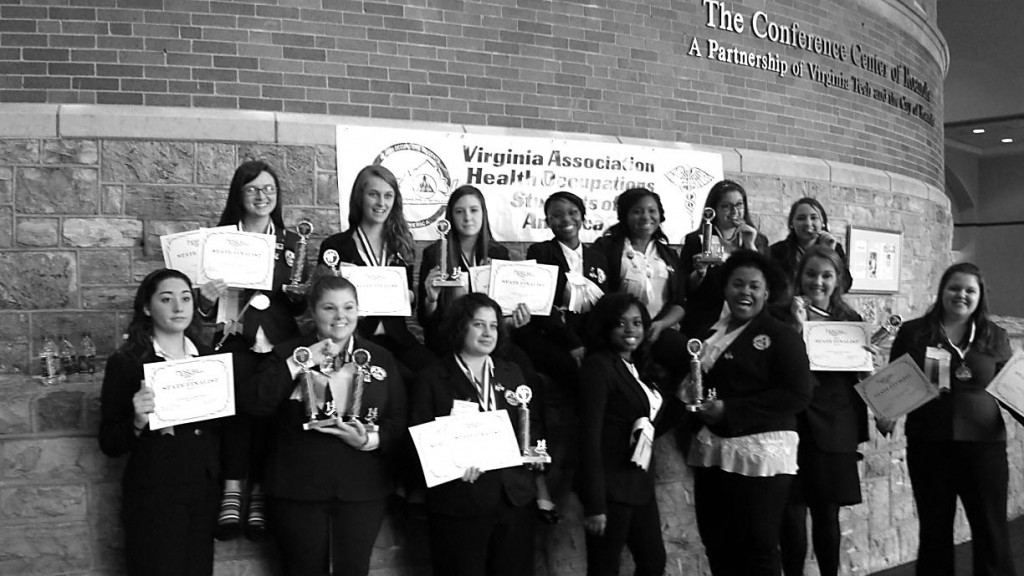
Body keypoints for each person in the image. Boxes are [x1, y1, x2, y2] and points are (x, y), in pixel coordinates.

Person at [241, 274, 406, 576]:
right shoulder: (286, 353)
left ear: (358, 311)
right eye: (329, 308)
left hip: (362, 488)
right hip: (297, 489)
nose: (340, 316)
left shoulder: (381, 358)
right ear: (312, 312)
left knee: (354, 570)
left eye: (348, 307)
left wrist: (370, 440)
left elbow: (399, 422)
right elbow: (254, 404)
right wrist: (298, 363)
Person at [881, 263, 1015, 576]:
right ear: (942, 290)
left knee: (991, 531)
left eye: (970, 290)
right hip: (929, 444)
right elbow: (894, 382)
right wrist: (886, 410)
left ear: (980, 296)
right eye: (954, 288)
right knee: (934, 531)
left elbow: (1012, 386)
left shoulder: (995, 336)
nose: (961, 295)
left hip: (984, 448)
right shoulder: (914, 332)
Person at [683, 250, 812, 576]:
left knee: (757, 547)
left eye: (754, 286)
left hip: (761, 457)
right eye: (737, 284)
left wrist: (731, 410)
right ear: (725, 288)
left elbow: (798, 395)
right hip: (713, 451)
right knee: (717, 542)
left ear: (766, 292)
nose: (745, 292)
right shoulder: (709, 331)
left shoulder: (781, 335)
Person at [197, 159, 307, 541]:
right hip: (235, 338)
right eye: (253, 189)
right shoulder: (219, 239)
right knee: (238, 413)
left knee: (273, 416)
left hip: (279, 341)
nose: (262, 196)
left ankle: (259, 494)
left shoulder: (294, 242)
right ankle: (231, 491)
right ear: (239, 195)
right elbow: (204, 309)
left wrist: (299, 297)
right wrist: (206, 299)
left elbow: (300, 304)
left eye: (269, 189)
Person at [99, 268, 220, 576]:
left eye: (185, 299)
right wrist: (137, 421)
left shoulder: (208, 360)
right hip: (154, 494)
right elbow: (109, 443)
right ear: (147, 307)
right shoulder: (126, 363)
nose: (178, 308)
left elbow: (218, 429)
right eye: (166, 299)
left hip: (200, 491)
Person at [411, 293, 540, 576]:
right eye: (479, 325)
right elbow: (417, 446)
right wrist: (451, 467)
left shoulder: (512, 373)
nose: (488, 333)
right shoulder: (432, 379)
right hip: (460, 503)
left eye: (494, 326)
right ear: (460, 327)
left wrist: (533, 459)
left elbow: (529, 426)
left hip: (513, 499)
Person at [779, 247, 869, 576]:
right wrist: (797, 328)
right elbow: (779, 369)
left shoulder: (851, 322)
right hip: (791, 425)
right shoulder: (780, 316)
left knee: (827, 514)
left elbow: (859, 378)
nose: (818, 281)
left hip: (834, 427)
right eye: (811, 274)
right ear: (799, 276)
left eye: (826, 275)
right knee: (790, 515)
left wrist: (865, 363)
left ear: (838, 280)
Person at [578, 292, 682, 576]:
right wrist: (595, 503)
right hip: (610, 487)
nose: (630, 330)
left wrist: (685, 401)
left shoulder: (639, 368)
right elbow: (589, 437)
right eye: (621, 323)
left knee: (653, 562)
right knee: (604, 568)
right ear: (606, 327)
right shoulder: (598, 367)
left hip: (640, 484)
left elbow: (652, 428)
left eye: (637, 322)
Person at [514, 191, 608, 497]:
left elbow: (603, 308)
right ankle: (559, 472)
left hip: (586, 340)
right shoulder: (541, 251)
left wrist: (589, 343)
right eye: (556, 215)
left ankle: (592, 459)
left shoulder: (598, 256)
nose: (565, 220)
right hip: (546, 337)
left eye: (571, 212)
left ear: (582, 215)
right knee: (582, 378)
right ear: (548, 221)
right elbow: (541, 308)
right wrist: (572, 344)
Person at [316, 164, 434, 382]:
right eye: (374, 194)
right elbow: (321, 301)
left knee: (434, 374)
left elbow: (409, 301)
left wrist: (412, 296)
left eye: (388, 196)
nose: (382, 203)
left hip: (398, 339)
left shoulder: (402, 246)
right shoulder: (335, 247)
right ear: (360, 197)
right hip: (355, 340)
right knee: (396, 381)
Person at [417, 184, 529, 353]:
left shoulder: (498, 254)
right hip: (448, 342)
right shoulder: (435, 254)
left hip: (488, 343)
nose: (467, 217)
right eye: (459, 212)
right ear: (450, 217)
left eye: (474, 210)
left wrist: (513, 321)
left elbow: (501, 317)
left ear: (483, 214)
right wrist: (431, 300)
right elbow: (425, 321)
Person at [591, 187, 688, 372]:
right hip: (620, 332)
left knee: (687, 354)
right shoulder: (606, 248)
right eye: (637, 211)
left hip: (657, 330)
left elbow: (679, 303)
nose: (646, 217)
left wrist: (660, 325)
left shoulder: (669, 254)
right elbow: (598, 297)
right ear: (625, 216)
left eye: (652, 211)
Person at [679, 179, 770, 335]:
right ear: (714, 210)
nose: (735, 211)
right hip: (707, 320)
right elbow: (685, 287)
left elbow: (767, 280)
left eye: (739, 204)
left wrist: (750, 245)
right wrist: (700, 272)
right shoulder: (697, 240)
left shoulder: (758, 240)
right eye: (727, 206)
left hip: (748, 319)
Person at [769, 197, 852, 297]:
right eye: (801, 218)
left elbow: (845, 284)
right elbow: (774, 287)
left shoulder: (834, 247)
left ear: (823, 223)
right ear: (791, 223)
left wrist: (828, 253)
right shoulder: (777, 251)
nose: (808, 223)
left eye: (814, 218)